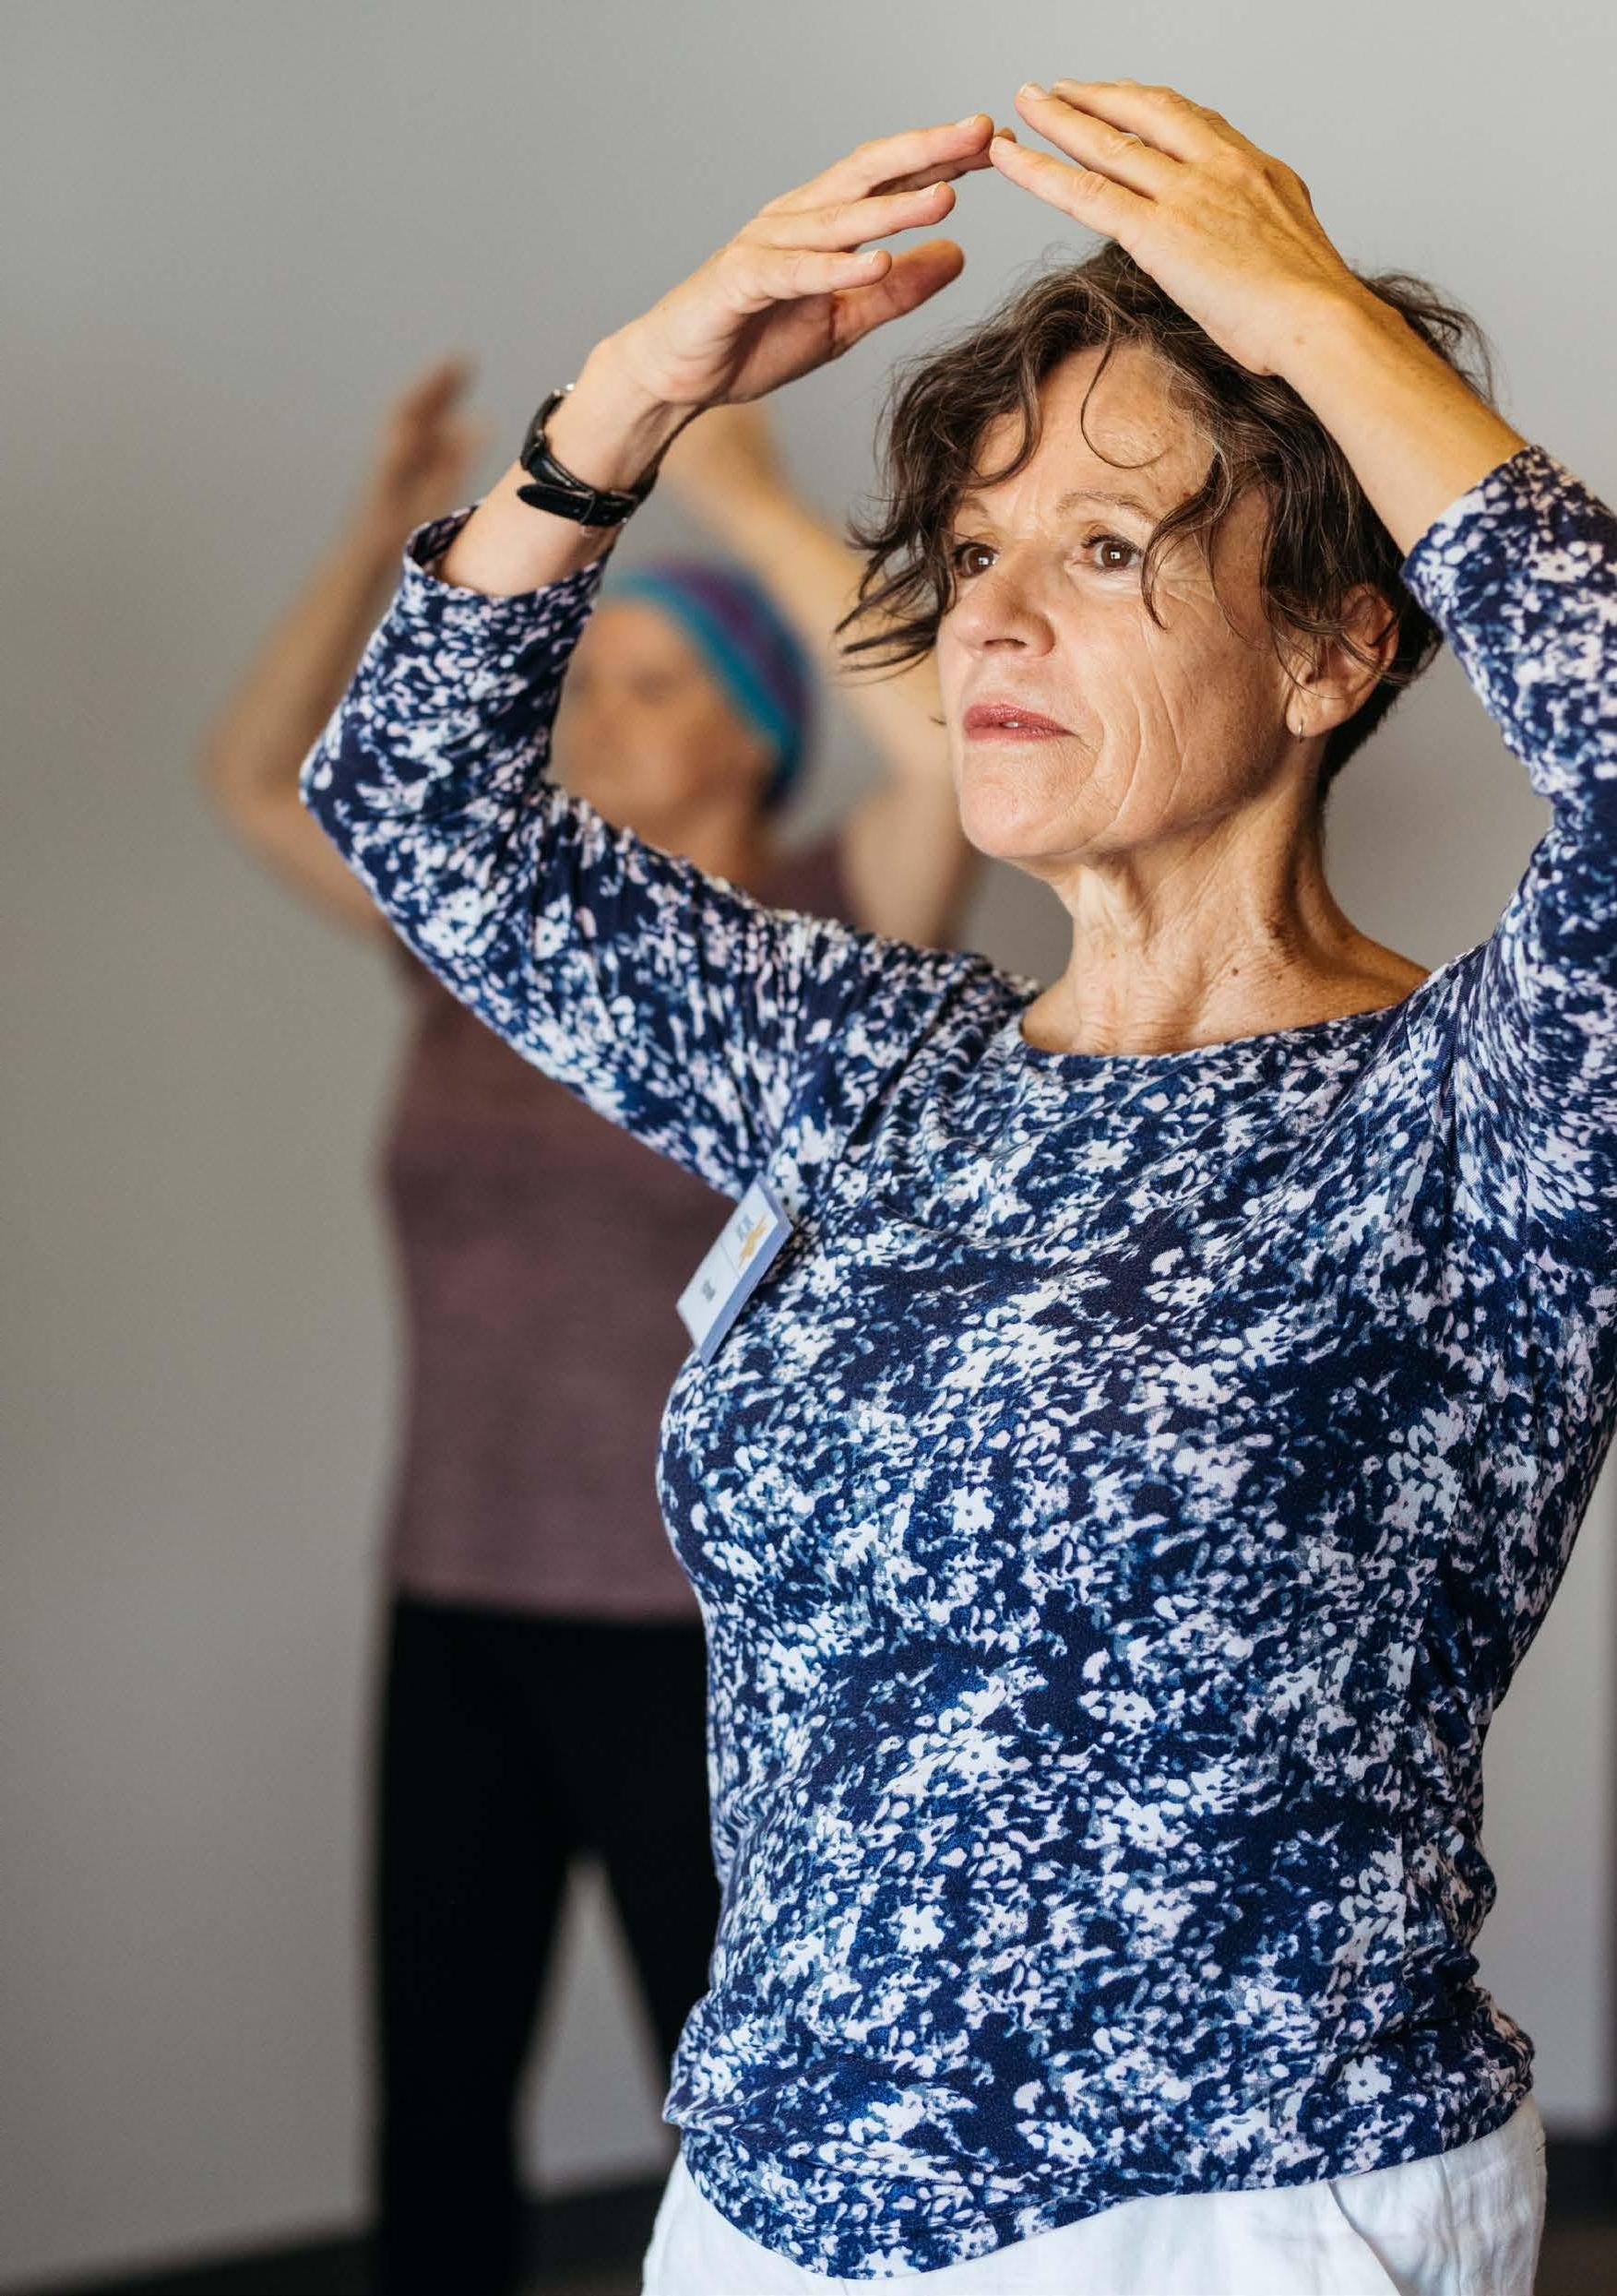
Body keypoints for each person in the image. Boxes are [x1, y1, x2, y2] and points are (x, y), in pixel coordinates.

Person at [296, 81, 1611, 2293]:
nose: (991, 622)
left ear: (1330, 647)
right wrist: (627, 401)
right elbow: (412, 807)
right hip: (766, 2202)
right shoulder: (883, 1069)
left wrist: (1306, 315)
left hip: (1227, 2217)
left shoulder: (1484, 1108)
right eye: (975, 554)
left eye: (1102, 551)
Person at [199, 360, 974, 2296]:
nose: (591, 714)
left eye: (649, 682)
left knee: (738, 2115)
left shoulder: (836, 939)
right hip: (456, 1592)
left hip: (696, 1627)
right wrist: (379, 521)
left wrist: (751, 497)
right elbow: (259, 780)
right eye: (587, 679)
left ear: (754, 732)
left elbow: (948, 758)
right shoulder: (496, 954)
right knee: (436, 2098)